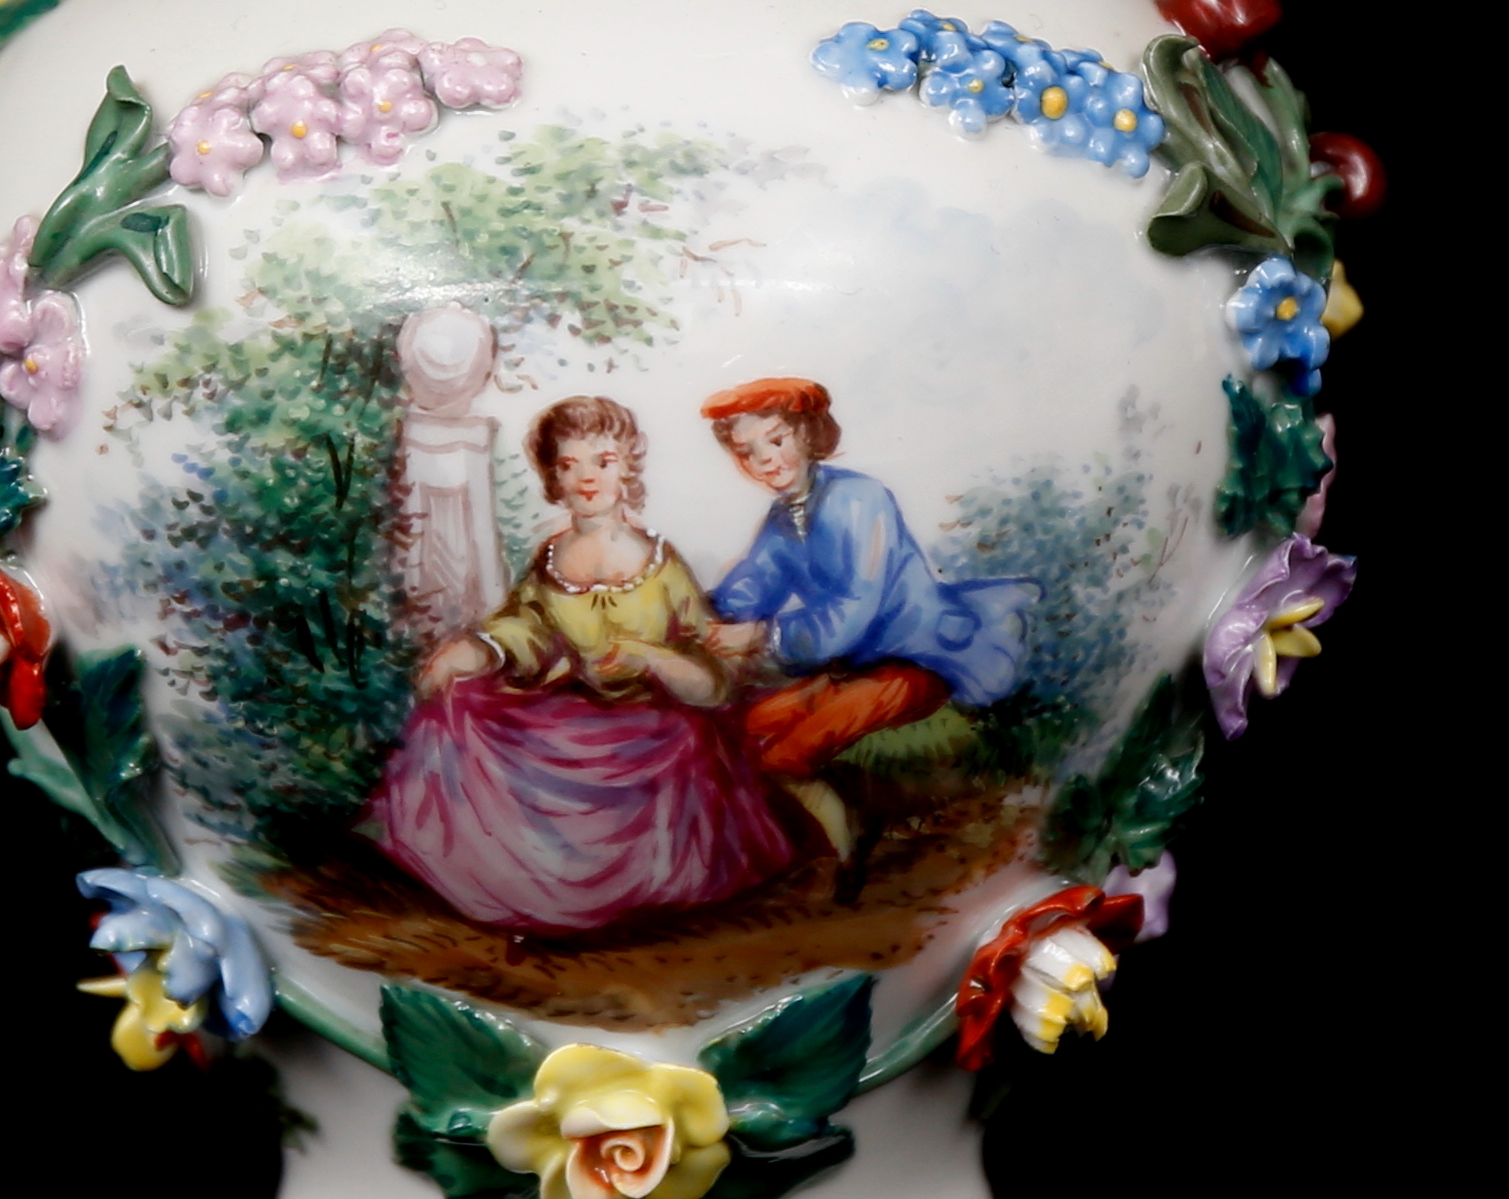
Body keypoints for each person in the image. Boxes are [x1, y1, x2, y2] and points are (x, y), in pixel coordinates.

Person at [361, 397, 793, 933]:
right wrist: (470, 652)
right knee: (462, 707)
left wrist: (650, 657)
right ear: (554, 478)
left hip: (653, 728)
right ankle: (511, 883)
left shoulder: (661, 564)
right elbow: (522, 628)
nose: (587, 478)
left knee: (688, 744)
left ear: (627, 468)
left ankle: (638, 894)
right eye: (569, 465)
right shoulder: (550, 560)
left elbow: (709, 666)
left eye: (603, 462)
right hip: (574, 713)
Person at [696, 377, 1039, 862]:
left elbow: (852, 611)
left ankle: (850, 844)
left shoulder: (860, 498)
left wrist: (762, 635)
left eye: (776, 439)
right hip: (849, 669)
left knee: (784, 755)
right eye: (747, 452)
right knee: (749, 728)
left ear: (807, 434)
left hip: (915, 659)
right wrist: (693, 615)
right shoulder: (783, 517)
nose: (766, 459)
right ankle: (810, 842)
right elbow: (753, 583)